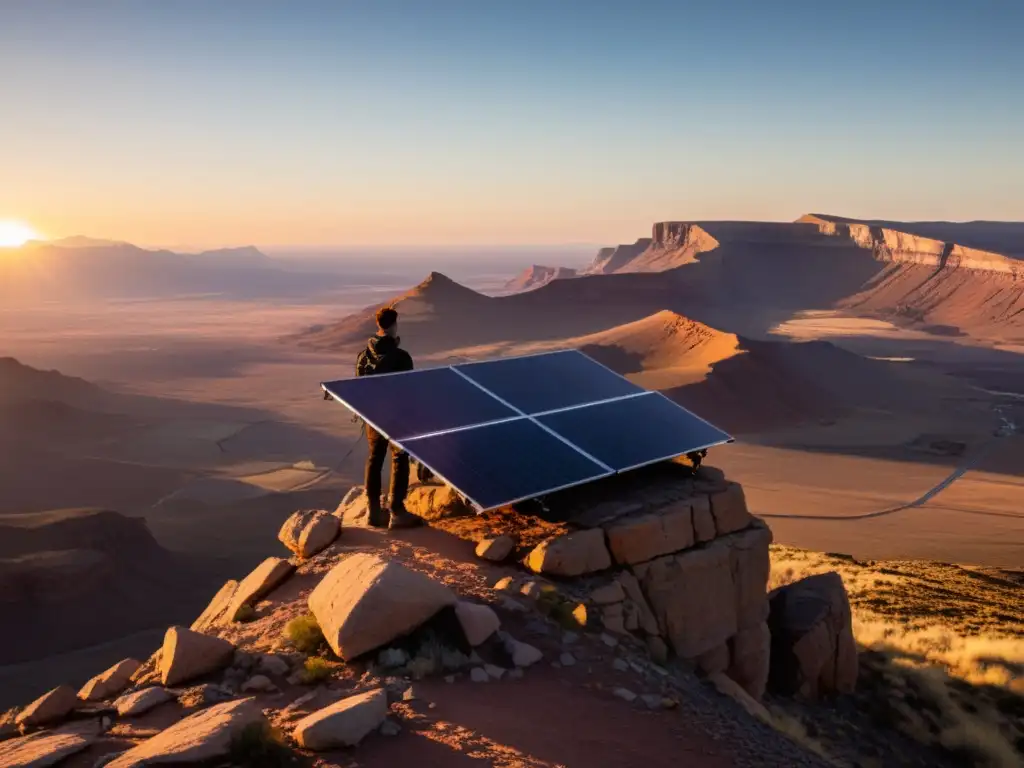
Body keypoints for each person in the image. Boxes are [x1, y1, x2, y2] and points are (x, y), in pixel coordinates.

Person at [355, 306, 422, 529]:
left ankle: (374, 512)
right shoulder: (401, 357)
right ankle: (397, 510)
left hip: (372, 416)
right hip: (395, 417)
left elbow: (358, 388)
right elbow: (409, 391)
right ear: (394, 325)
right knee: (399, 458)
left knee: (374, 459)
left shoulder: (364, 356)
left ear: (378, 325)